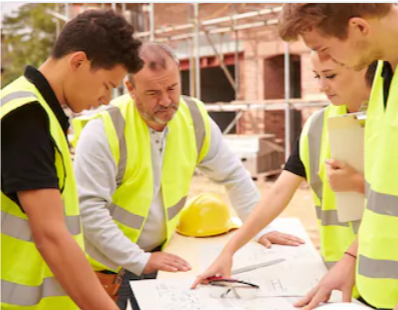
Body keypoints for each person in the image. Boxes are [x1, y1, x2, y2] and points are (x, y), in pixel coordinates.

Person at [71, 42, 303, 310]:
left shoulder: (193, 117)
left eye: (172, 88)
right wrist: (139, 259)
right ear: (131, 89)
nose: (167, 101)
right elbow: (89, 211)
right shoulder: (104, 131)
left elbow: (234, 175)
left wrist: (260, 225)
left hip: (162, 257)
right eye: (153, 93)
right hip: (110, 268)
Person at [278, 4, 398, 310]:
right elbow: (390, 198)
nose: (325, 62)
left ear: (359, 27)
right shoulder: (383, 71)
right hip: (385, 299)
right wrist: (351, 260)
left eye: (325, 49)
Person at [192, 51, 377, 301]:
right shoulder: (317, 125)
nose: (322, 86)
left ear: (363, 66)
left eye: (331, 75)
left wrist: (357, 185)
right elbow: (278, 193)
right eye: (317, 76)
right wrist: (230, 250)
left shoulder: (391, 121)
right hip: (337, 270)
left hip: (385, 271)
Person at [0, 9, 142, 310]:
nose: (106, 99)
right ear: (78, 62)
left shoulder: (34, 109)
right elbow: (50, 235)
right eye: (107, 85)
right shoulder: (28, 119)